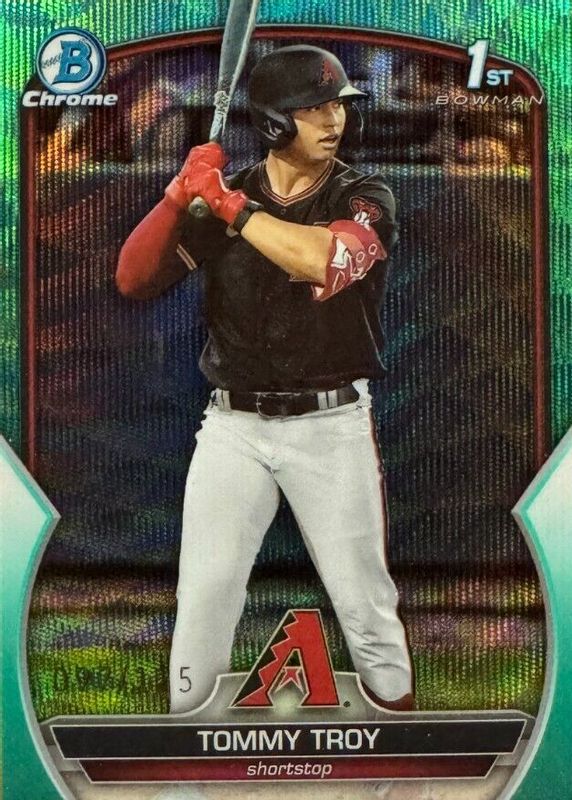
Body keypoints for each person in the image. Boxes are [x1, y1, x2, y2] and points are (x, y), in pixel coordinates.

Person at [116, 45, 414, 721]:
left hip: (330, 425)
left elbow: (323, 260)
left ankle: (403, 743)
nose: (333, 120)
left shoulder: (364, 195)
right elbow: (133, 279)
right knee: (205, 598)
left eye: (338, 105)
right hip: (234, 428)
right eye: (314, 108)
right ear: (276, 122)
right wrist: (176, 197)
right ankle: (187, 745)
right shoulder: (231, 197)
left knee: (365, 607)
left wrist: (228, 206)